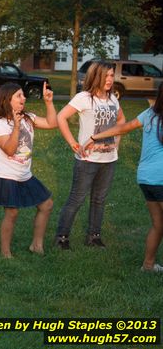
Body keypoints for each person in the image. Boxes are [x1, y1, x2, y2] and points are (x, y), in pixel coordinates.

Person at [82, 82, 163, 271]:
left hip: (145, 178)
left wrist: (95, 137)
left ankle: (148, 265)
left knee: (159, 225)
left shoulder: (149, 114)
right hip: (160, 178)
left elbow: (123, 128)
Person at [55, 61, 125, 250]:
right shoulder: (83, 97)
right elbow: (61, 117)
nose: (110, 79)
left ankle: (93, 237)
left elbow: (121, 120)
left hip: (109, 159)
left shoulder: (112, 99)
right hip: (87, 160)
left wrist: (116, 143)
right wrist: (73, 144)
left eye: (112, 75)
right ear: (97, 76)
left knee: (99, 199)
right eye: (107, 75)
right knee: (76, 199)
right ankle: (61, 237)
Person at [0, 82, 56, 258]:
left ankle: (36, 245)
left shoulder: (28, 118)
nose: (23, 98)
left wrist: (48, 102)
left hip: (24, 174)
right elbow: (10, 150)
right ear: (7, 100)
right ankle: (6, 253)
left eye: (23, 95)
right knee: (12, 212)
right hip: (4, 175)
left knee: (46, 205)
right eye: (19, 95)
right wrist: (16, 127)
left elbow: (51, 123)